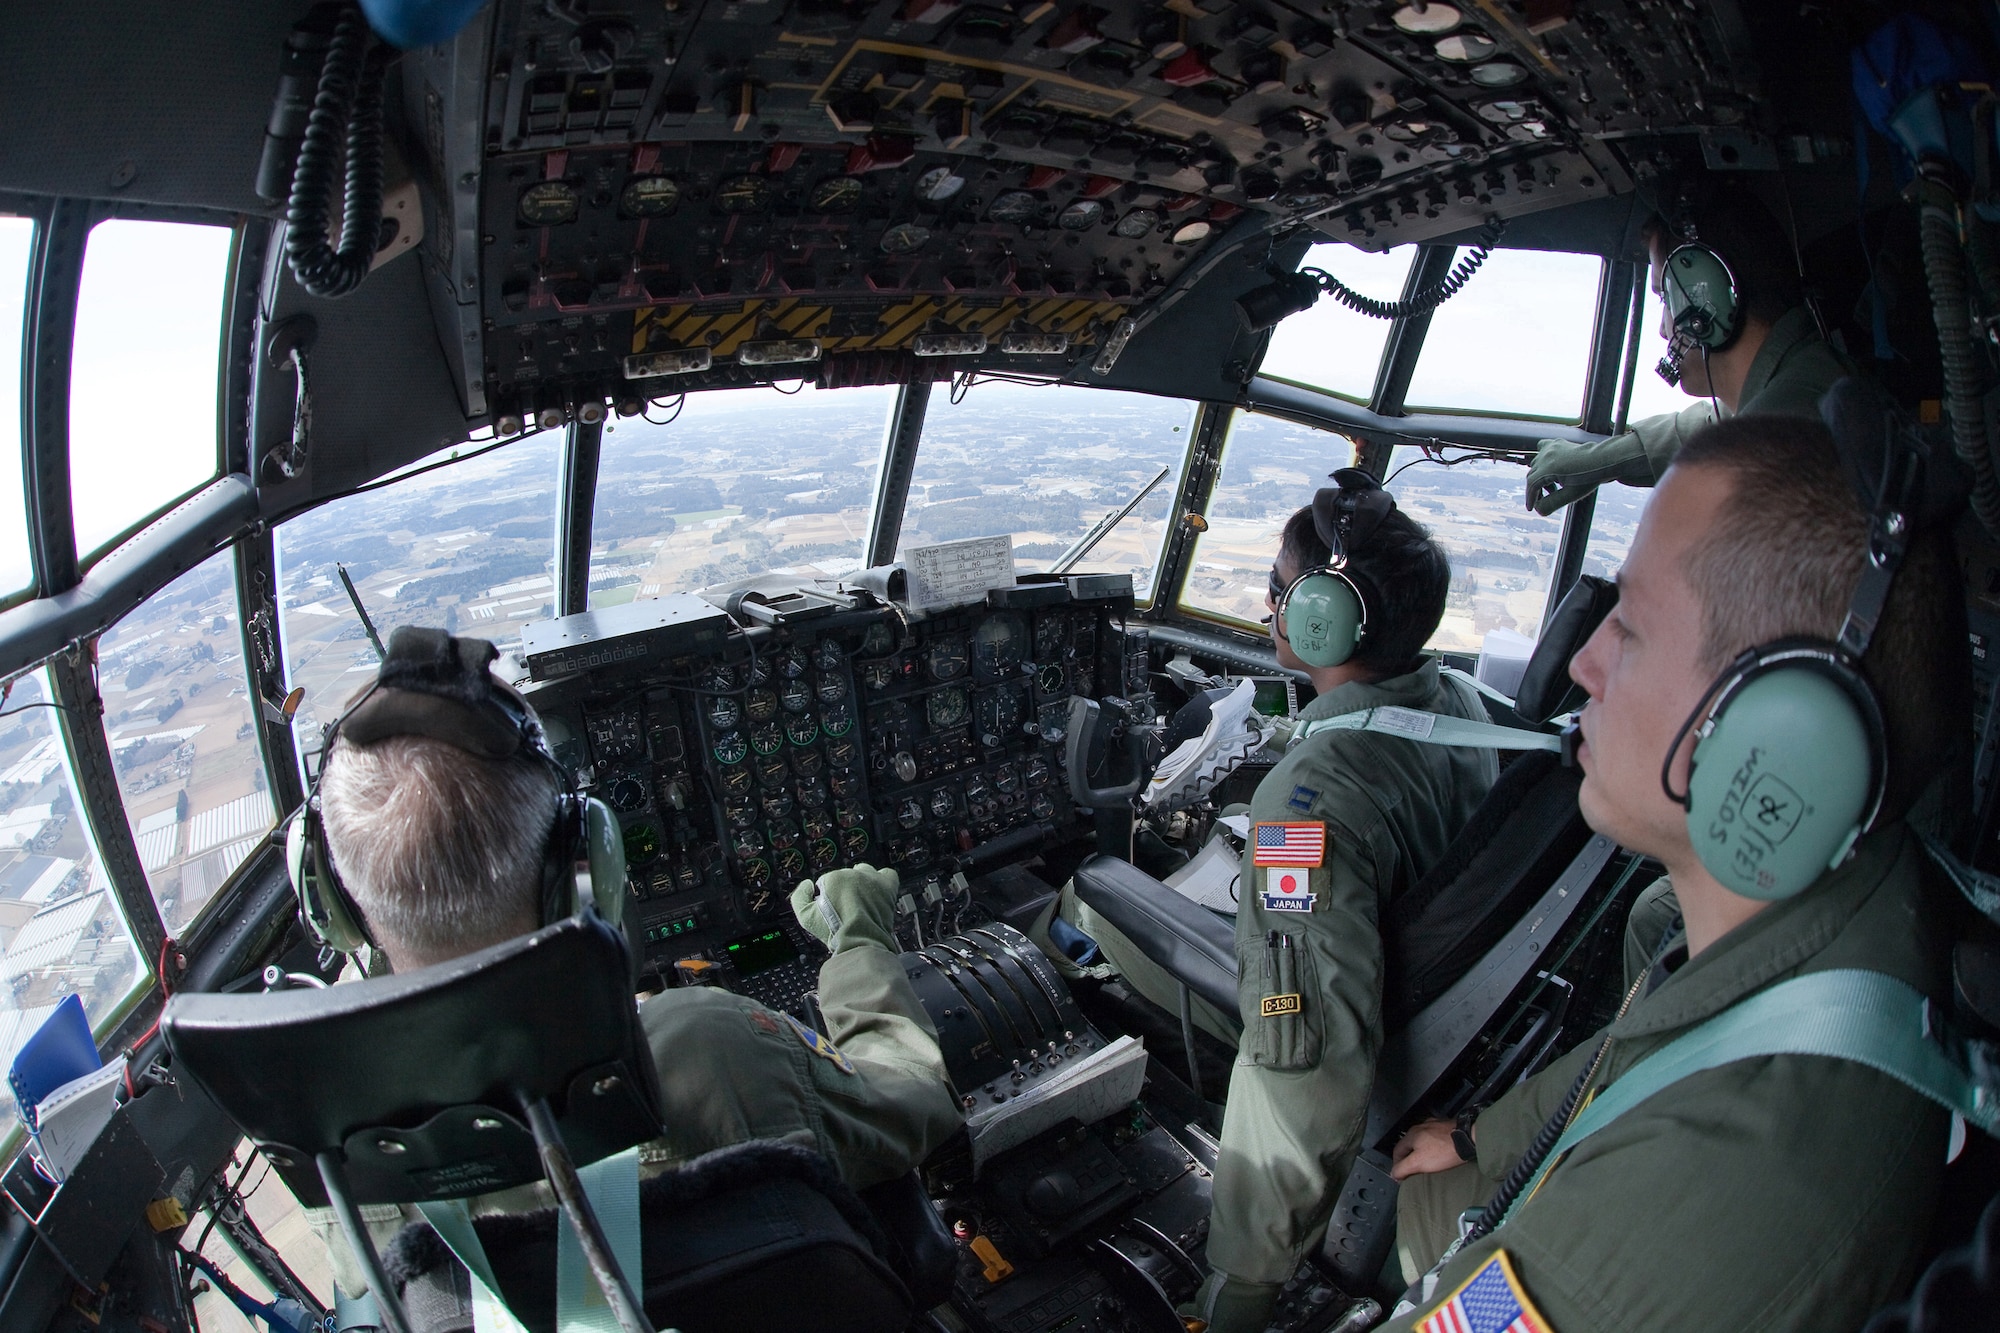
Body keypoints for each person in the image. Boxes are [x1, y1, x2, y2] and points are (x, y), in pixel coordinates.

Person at [1385, 414, 1967, 1332]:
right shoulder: (1834, 906)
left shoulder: (1717, 1187)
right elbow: (1645, 1039)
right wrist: (1479, 1134)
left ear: (1780, 733)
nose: (1582, 662)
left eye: (1630, 625)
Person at [303, 629, 962, 1305]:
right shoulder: (705, 1045)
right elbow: (919, 1102)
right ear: (589, 861)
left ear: (331, 902)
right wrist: (860, 943)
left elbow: (364, 1277)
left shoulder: (334, 1139)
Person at [1172, 472, 1500, 1333]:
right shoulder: (1458, 702)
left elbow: (1300, 1051)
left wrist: (1242, 1281)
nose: (1270, 604)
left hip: (1362, 1030)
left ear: (1324, 617)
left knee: (1093, 901)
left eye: (1280, 590)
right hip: (1441, 1000)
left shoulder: (1298, 809)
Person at [1524, 181, 1849, 515]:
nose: (1663, 331)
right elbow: (1715, 422)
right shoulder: (1807, 379)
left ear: (1708, 307)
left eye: (1667, 299)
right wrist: (1606, 459)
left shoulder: (1774, 458)